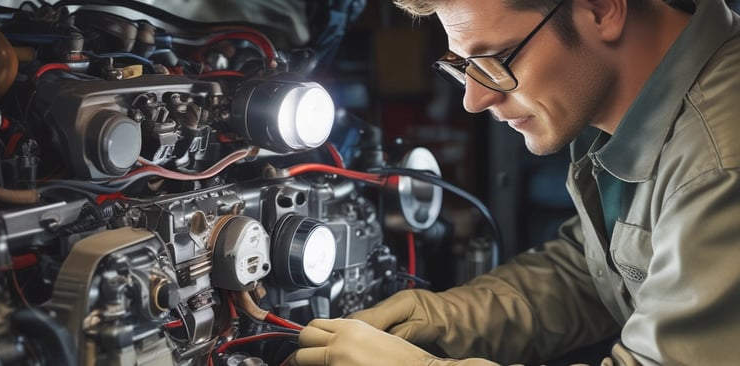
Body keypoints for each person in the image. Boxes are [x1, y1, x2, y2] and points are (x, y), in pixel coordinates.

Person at [286, 0, 740, 364]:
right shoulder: (620, 106)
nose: (475, 98)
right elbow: (595, 271)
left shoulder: (719, 163)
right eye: (463, 66)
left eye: (495, 58)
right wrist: (444, 318)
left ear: (601, 9)